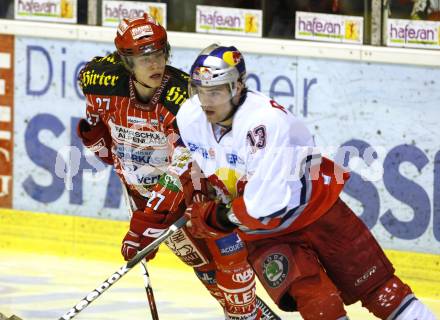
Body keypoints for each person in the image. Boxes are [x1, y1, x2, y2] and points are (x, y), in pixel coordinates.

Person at [176, 43, 437, 320]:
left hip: (318, 214)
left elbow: (267, 202)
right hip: (266, 236)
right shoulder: (190, 116)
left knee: (382, 292)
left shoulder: (264, 123)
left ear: (237, 87)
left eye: (215, 91)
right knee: (320, 306)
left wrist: (218, 218)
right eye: (201, 90)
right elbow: (199, 166)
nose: (207, 101)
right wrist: (197, 193)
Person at [76, 14, 273, 320]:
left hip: (195, 191)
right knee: (207, 273)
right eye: (144, 58)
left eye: (159, 53)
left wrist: (147, 222)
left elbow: (184, 164)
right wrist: (98, 144)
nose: (154, 64)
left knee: (229, 267)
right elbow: (96, 122)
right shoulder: (99, 81)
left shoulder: (181, 99)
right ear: (126, 62)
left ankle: (246, 313)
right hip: (146, 195)